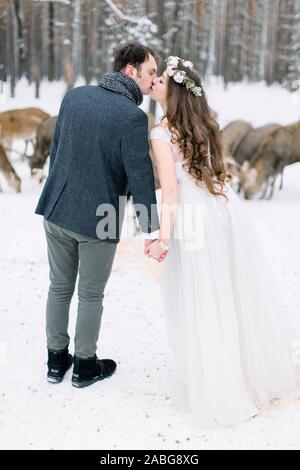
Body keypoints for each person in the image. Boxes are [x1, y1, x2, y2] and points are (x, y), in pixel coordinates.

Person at [146, 56, 300, 427]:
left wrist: (162, 236)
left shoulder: (161, 133)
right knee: (229, 290)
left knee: (201, 297)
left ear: (177, 92)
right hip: (223, 210)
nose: (156, 81)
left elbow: (169, 189)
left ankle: (221, 385)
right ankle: (245, 372)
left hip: (193, 217)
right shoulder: (206, 123)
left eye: (163, 78)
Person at [35, 42, 163, 388]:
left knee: (59, 287)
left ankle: (55, 361)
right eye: (151, 72)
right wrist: (152, 229)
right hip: (98, 221)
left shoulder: (74, 96)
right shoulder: (133, 117)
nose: (155, 80)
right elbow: (141, 177)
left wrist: (54, 194)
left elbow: (57, 152)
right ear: (130, 71)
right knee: (90, 295)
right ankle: (84, 366)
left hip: (57, 210)